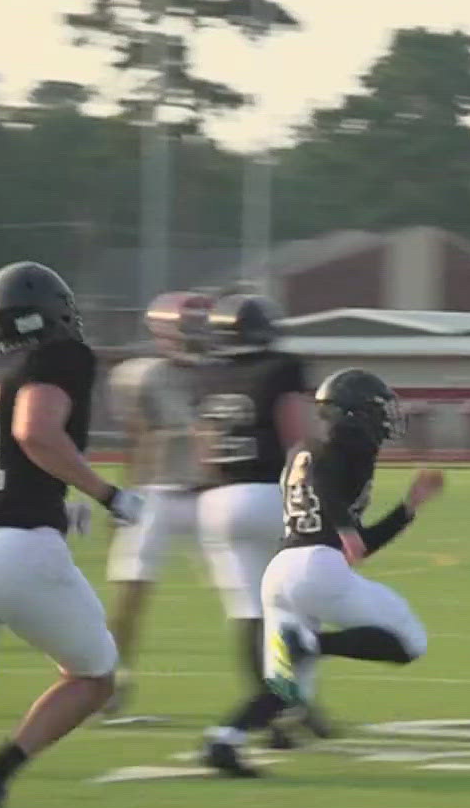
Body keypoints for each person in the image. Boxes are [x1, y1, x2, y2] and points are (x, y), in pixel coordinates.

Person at [0, 261, 142, 808]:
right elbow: (34, 432)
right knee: (94, 676)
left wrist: (51, 500)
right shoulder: (61, 358)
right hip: (16, 548)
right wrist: (108, 495)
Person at [201, 368, 444, 776]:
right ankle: (311, 643)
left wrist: (408, 508)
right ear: (355, 412)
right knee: (410, 641)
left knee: (284, 685)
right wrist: (346, 527)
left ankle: (224, 740)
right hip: (317, 567)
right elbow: (328, 482)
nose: (385, 418)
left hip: (281, 573)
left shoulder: (303, 450)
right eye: (378, 409)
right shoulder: (343, 444)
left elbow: (358, 543)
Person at [189, 294, 332, 762]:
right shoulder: (281, 368)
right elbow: (296, 433)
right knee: (301, 607)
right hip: (268, 494)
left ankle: (272, 711)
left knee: (251, 614)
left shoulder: (206, 373)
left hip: (216, 498)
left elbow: (204, 448)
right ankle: (295, 707)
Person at [100, 291, 211, 722]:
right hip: (158, 491)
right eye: (193, 326)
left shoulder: (227, 369)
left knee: (261, 594)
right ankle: (109, 679)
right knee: (131, 590)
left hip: (212, 494)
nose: (201, 336)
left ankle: (281, 687)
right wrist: (126, 498)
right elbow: (137, 440)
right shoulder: (144, 376)